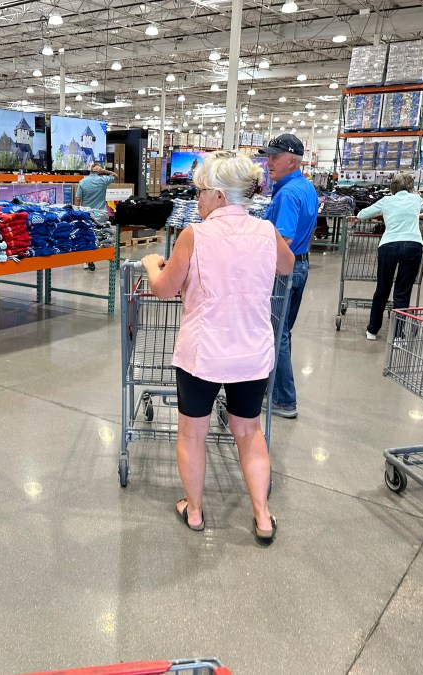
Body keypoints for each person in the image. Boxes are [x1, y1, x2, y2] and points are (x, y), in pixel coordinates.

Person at [141, 152, 294, 544]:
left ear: (221, 196)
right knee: (248, 432)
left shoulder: (196, 235)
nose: (198, 199)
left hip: (203, 354)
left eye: (202, 191)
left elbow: (163, 289)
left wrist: (150, 264)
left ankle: (194, 511)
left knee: (193, 433)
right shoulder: (265, 231)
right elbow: (288, 266)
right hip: (252, 353)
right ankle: (262, 516)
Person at [257, 134, 318, 419]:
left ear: (291, 160)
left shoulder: (287, 194)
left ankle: (284, 399)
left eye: (274, 157)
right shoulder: (305, 187)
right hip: (301, 266)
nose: (268, 163)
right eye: (268, 156)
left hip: (284, 271)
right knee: (282, 332)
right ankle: (274, 388)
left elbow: (284, 240)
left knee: (276, 334)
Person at [350, 173, 423, 341]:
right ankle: (398, 335)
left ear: (393, 187)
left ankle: (372, 330)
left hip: (388, 245)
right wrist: (418, 215)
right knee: (402, 292)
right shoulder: (416, 199)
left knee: (382, 289)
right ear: (410, 187)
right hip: (412, 245)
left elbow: (362, 214)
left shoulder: (386, 201)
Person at [75, 163, 118, 271]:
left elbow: (77, 200)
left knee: (87, 236)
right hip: (101, 215)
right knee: (103, 236)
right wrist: (104, 171)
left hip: (87, 214)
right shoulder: (103, 180)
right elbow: (115, 176)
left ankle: (87, 260)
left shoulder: (83, 182)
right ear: (98, 171)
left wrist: (76, 213)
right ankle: (109, 256)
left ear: (90, 170)